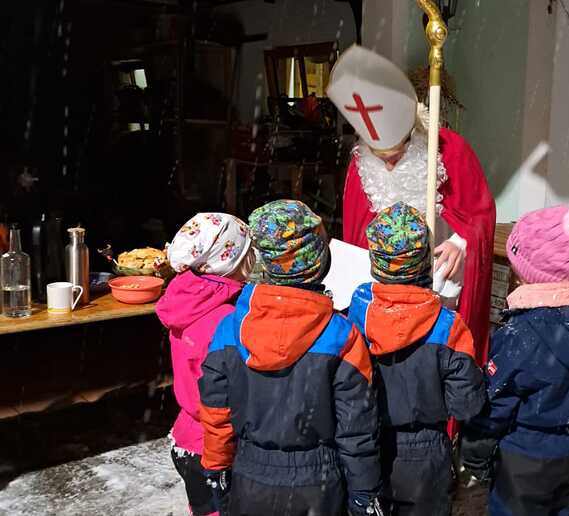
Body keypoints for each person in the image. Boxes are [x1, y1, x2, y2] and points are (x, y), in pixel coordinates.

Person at [198, 200, 382, 516]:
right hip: (319, 482)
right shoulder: (342, 337)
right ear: (319, 261)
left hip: (250, 475)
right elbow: (357, 428)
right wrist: (364, 491)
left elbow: (216, 410)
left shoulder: (229, 329)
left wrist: (215, 465)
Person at [327, 45, 496, 364]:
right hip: (383, 290)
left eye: (396, 155)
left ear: (412, 135)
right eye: (381, 157)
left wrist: (462, 242)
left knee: (435, 359)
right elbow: (356, 230)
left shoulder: (449, 150)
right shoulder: (360, 163)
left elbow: (480, 214)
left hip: (441, 281)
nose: (388, 165)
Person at [460, 206, 569, 516]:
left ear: (533, 275)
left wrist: (475, 448)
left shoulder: (523, 333)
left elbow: (497, 399)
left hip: (525, 453)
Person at [347, 202, 486, 516]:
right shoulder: (449, 327)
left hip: (365, 447)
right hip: (426, 454)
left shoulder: (354, 313)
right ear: (426, 261)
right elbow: (466, 404)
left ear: (375, 262)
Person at [155, 212, 256, 516]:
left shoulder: (186, 297)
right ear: (232, 260)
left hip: (187, 435)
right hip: (216, 444)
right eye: (249, 251)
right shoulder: (225, 320)